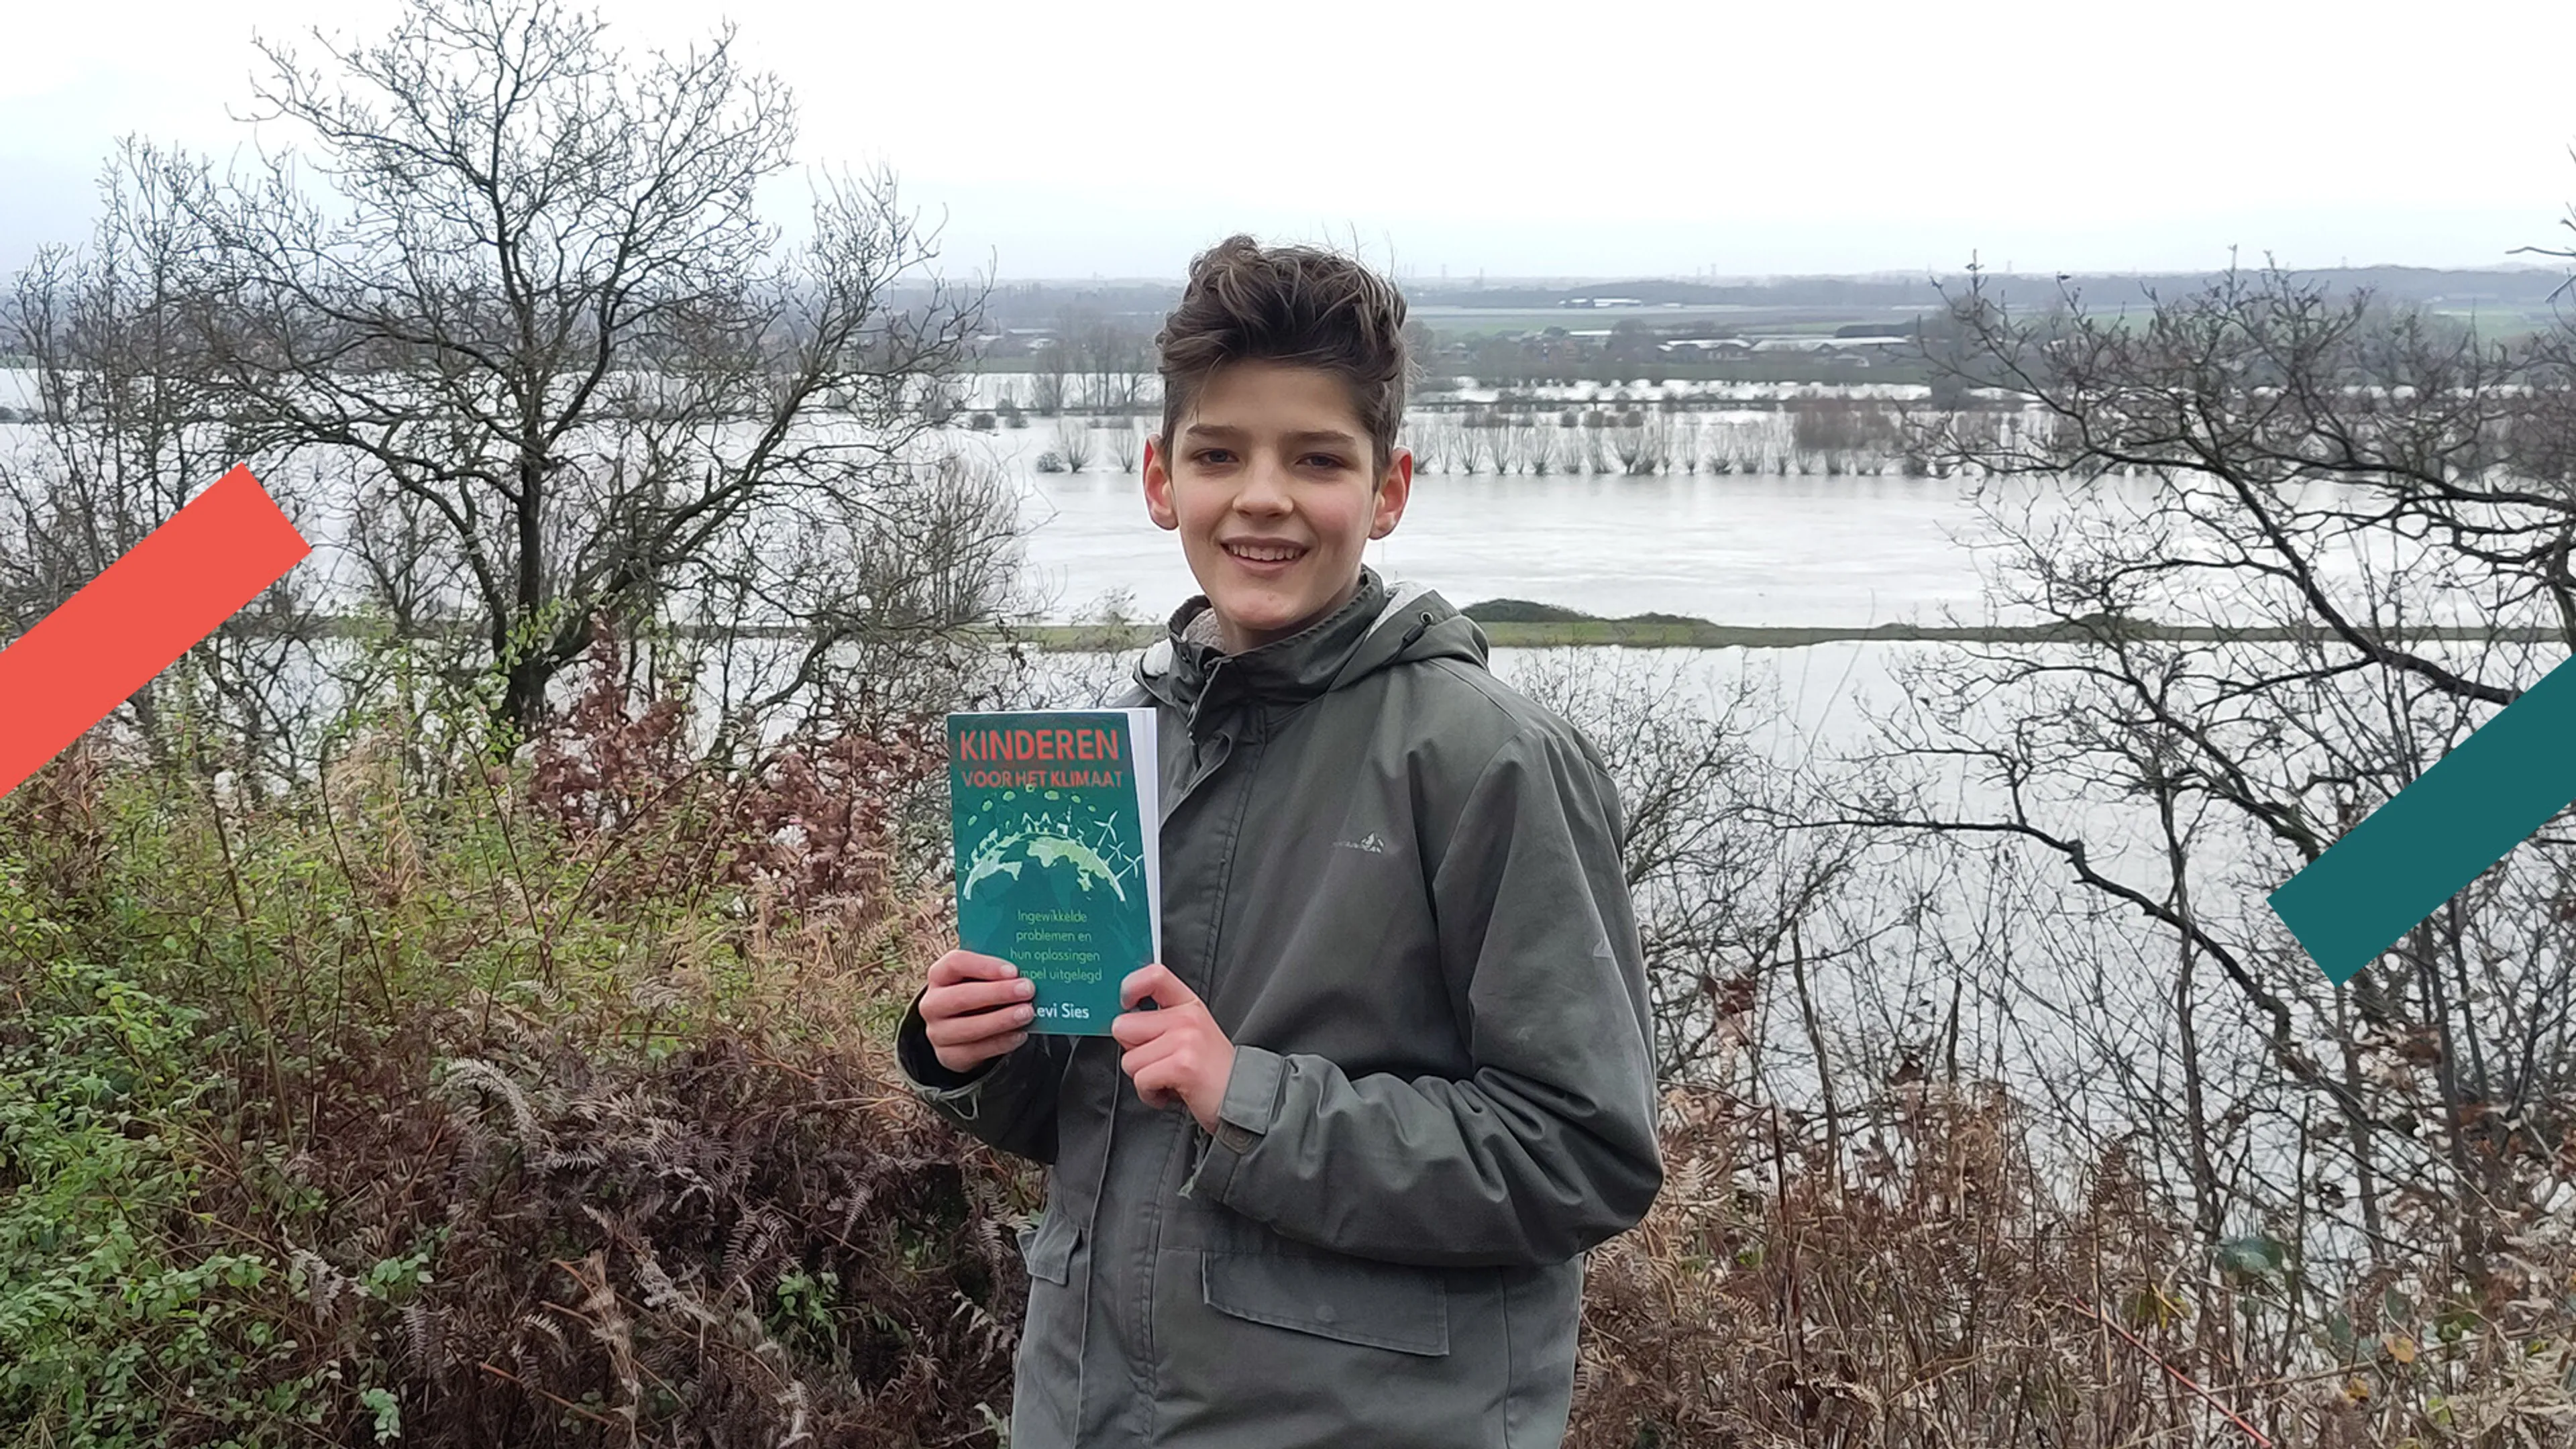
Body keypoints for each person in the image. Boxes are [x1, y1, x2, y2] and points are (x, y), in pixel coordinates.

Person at [895, 234, 1662, 1448]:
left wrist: (1247, 1099)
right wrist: (978, 1053)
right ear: (1160, 481)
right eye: (1220, 455)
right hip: (1087, 1413)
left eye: (1316, 458)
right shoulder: (1112, 745)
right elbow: (1108, 1119)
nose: (1263, 496)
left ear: (1388, 489)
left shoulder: (1490, 760)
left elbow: (1584, 1153)